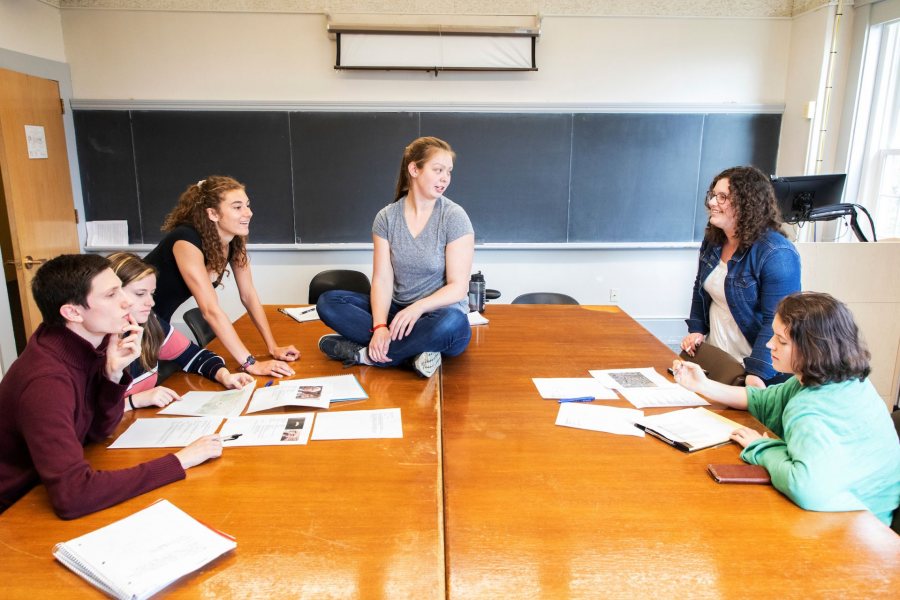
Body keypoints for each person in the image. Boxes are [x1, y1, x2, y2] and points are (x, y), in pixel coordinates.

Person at [0, 254, 224, 519]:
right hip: (16, 510)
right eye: (111, 294)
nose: (127, 301)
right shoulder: (46, 381)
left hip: (43, 488)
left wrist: (113, 377)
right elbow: (74, 496)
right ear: (72, 312)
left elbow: (98, 432)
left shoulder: (88, 343)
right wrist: (180, 460)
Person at [674, 292, 900, 526]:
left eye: (782, 341)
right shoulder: (837, 380)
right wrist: (702, 384)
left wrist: (760, 448)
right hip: (855, 509)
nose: (769, 344)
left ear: (813, 349)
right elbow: (762, 400)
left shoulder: (810, 409)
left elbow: (805, 487)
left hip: (862, 527)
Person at [315, 136, 474, 377]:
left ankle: (367, 355)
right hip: (395, 314)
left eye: (448, 172)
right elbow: (382, 279)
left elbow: (459, 288)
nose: (445, 178)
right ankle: (415, 355)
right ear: (414, 169)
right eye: (438, 170)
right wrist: (379, 326)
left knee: (452, 323)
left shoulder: (454, 216)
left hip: (436, 315)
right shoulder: (386, 218)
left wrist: (417, 308)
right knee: (329, 302)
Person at [144, 175, 298, 378]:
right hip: (131, 319)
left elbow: (248, 295)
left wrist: (273, 347)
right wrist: (250, 364)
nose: (248, 213)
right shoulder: (185, 241)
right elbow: (210, 310)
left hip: (155, 323)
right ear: (213, 213)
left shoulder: (234, 241)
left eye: (247, 205)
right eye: (237, 207)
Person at [681, 165, 801, 388]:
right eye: (713, 195)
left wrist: (756, 373)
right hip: (719, 361)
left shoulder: (776, 253)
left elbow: (778, 320)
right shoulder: (714, 240)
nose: (712, 203)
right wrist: (696, 329)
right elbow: (700, 287)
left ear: (747, 203)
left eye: (723, 197)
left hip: (757, 371)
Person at [107, 252, 254, 410]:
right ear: (112, 294)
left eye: (152, 294)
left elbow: (194, 356)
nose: (150, 302)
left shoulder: (151, 324)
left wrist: (224, 375)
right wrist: (133, 401)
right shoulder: (94, 343)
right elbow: (87, 417)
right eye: (140, 294)